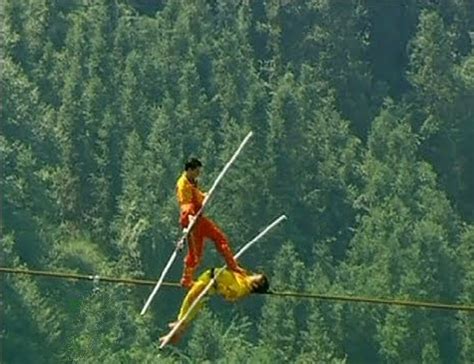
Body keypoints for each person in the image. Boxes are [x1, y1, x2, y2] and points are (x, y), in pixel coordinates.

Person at [176, 158, 244, 288]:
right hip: (191, 222)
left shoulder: (192, 181)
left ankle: (233, 266)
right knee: (195, 254)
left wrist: (204, 196)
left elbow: (196, 196)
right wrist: (190, 218)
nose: (198, 174)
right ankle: (186, 279)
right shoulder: (183, 185)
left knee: (219, 239)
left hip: (199, 220)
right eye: (196, 171)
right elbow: (185, 205)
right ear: (189, 170)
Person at [160, 267, 269, 345]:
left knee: (190, 301)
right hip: (208, 280)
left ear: (255, 284)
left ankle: (178, 328)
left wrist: (220, 286)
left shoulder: (242, 288)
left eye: (255, 277)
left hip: (210, 283)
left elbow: (229, 295)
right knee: (193, 306)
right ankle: (178, 330)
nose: (253, 275)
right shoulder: (243, 278)